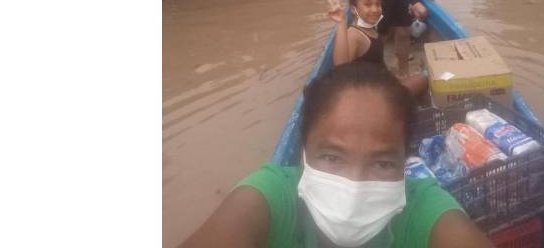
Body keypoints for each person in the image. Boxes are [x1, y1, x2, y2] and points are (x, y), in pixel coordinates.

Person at [181, 62, 494, 248]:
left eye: (383, 163)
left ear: (405, 163)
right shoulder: (272, 198)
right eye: (332, 157)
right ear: (303, 152)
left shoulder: (422, 209)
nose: (353, 186)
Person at [326, 0, 427, 97]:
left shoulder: (370, 27)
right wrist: (341, 23)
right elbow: (340, 68)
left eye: (378, 4)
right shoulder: (354, 35)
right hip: (374, 95)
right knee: (426, 78)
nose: (375, 9)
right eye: (368, 4)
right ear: (354, 9)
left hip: (381, 84)